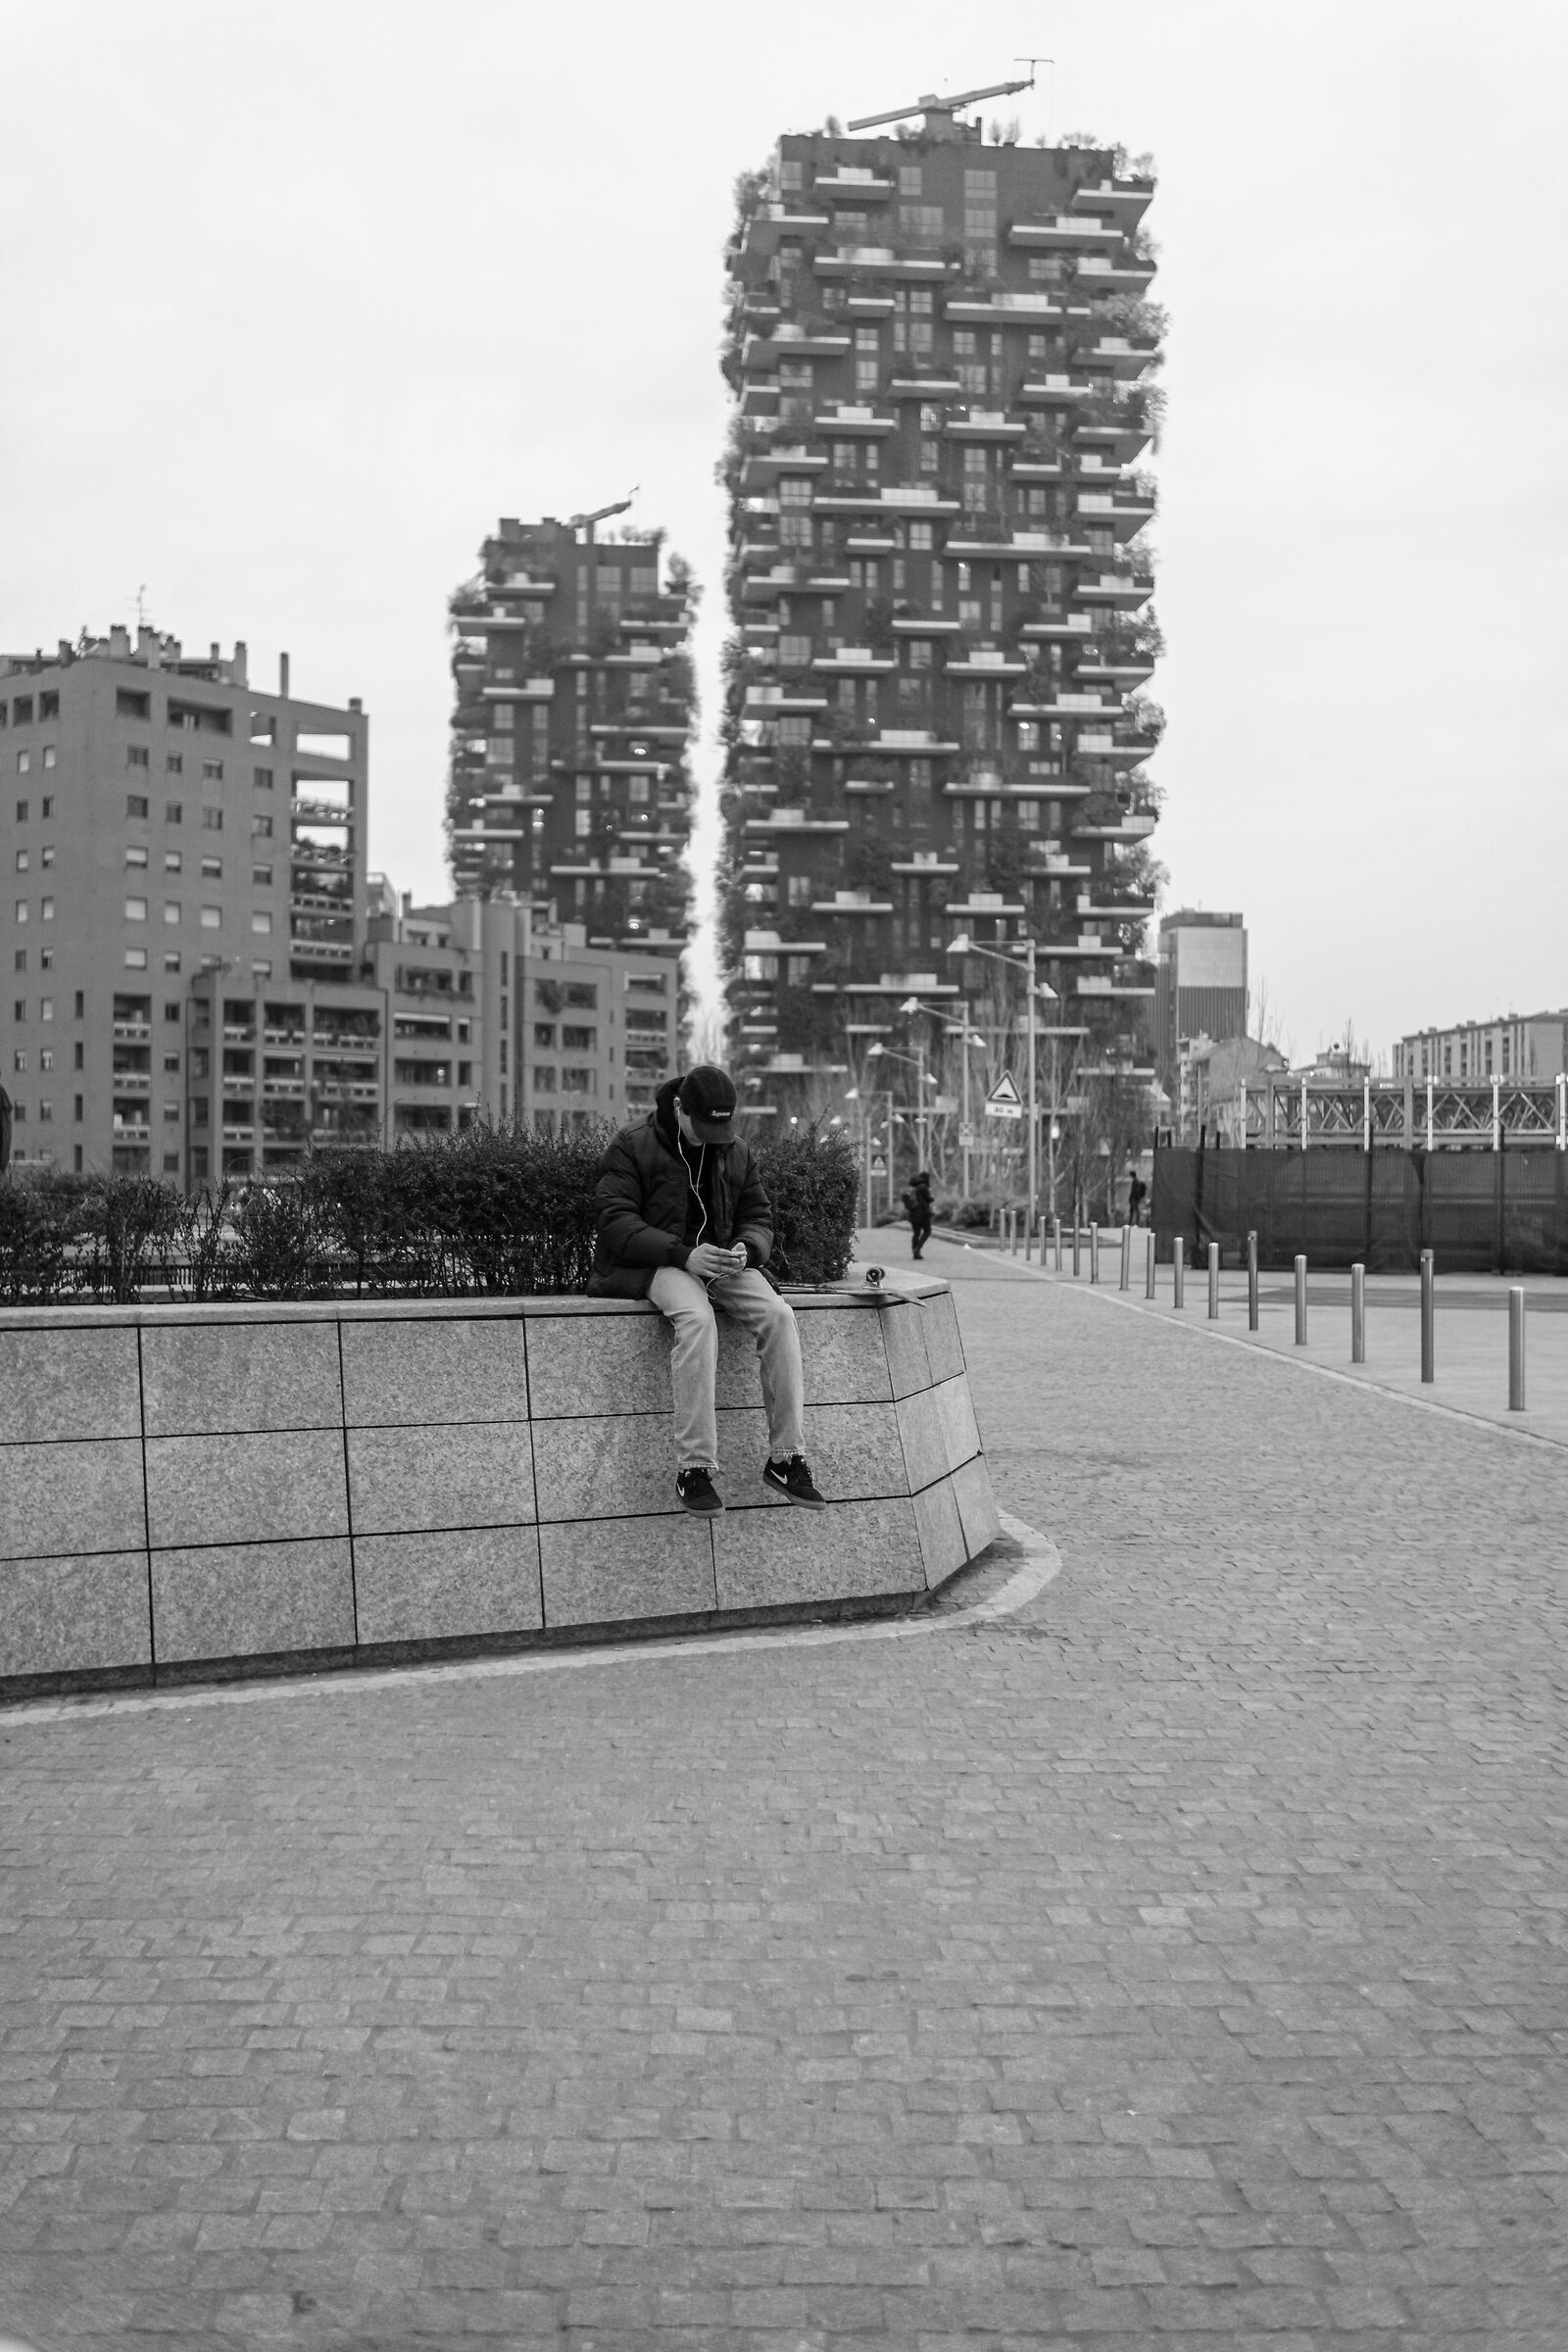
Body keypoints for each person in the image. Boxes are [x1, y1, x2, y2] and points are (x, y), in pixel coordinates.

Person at [589, 1065, 827, 1517]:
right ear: (679, 1108)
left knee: (779, 1315)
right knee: (697, 1320)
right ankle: (694, 1469)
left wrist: (747, 1249)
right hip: (657, 1262)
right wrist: (683, 1255)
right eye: (701, 1128)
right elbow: (616, 1222)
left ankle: (786, 1459)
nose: (709, 1139)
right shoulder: (632, 1143)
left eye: (718, 1129)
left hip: (721, 1262)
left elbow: (758, 1215)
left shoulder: (734, 1149)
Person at [902, 1169, 934, 1260]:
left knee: (916, 1233)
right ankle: (918, 1248)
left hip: (912, 1214)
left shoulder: (912, 1187)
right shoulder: (923, 1186)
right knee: (927, 1231)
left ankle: (915, 1252)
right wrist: (932, 1198)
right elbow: (928, 1199)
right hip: (923, 1214)